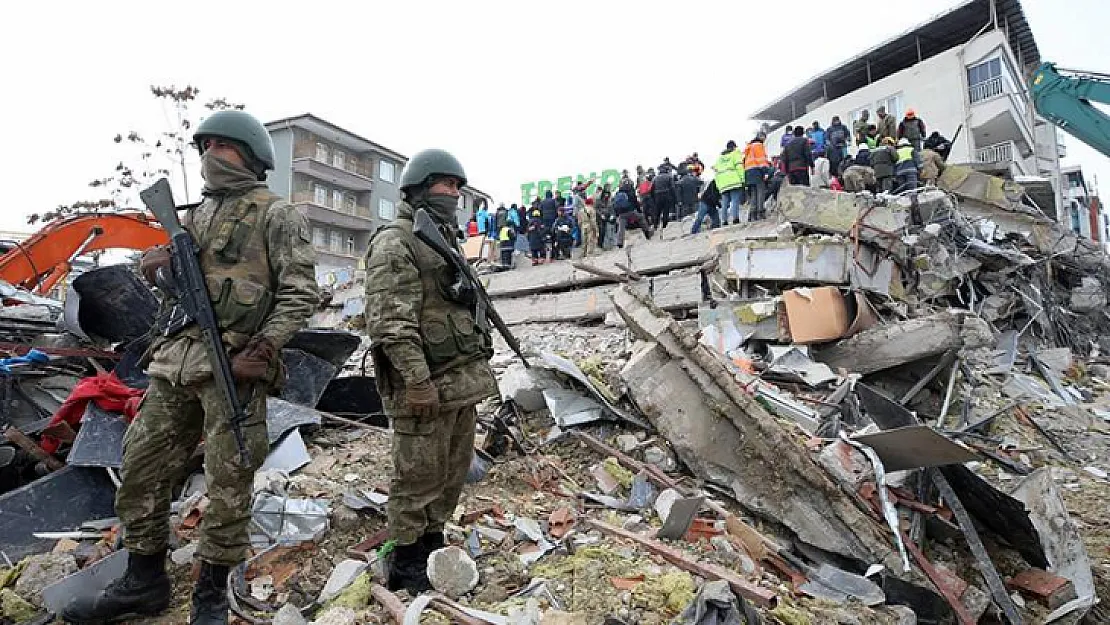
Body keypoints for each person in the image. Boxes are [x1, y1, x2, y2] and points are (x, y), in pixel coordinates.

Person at [61, 111, 320, 625]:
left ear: (250, 154)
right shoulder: (195, 216)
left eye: (223, 146)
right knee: (140, 467)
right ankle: (144, 579)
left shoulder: (277, 215)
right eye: (206, 146)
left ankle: (210, 594)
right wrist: (157, 268)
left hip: (235, 369)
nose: (210, 156)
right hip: (176, 363)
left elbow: (300, 292)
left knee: (229, 481)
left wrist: (266, 346)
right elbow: (180, 293)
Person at [361, 149, 497, 595]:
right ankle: (406, 558)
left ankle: (432, 541)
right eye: (445, 185)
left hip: (459, 382)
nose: (453, 194)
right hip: (425, 385)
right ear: (419, 187)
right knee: (416, 476)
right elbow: (390, 321)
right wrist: (416, 381)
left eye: (458, 187)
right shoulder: (396, 242)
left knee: (451, 472)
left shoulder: (441, 237)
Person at [714, 140, 746, 225]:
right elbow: (739, 167)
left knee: (725, 203)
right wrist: (743, 180)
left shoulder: (719, 159)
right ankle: (735, 219)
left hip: (723, 184)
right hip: (734, 182)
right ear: (734, 147)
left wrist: (718, 186)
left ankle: (724, 220)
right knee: (735, 201)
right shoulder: (735, 155)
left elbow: (716, 174)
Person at [743, 134, 771, 221]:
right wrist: (765, 171)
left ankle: (752, 214)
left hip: (748, 172)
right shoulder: (758, 145)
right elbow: (761, 160)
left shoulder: (749, 147)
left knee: (753, 194)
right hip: (757, 171)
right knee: (760, 192)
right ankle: (760, 212)